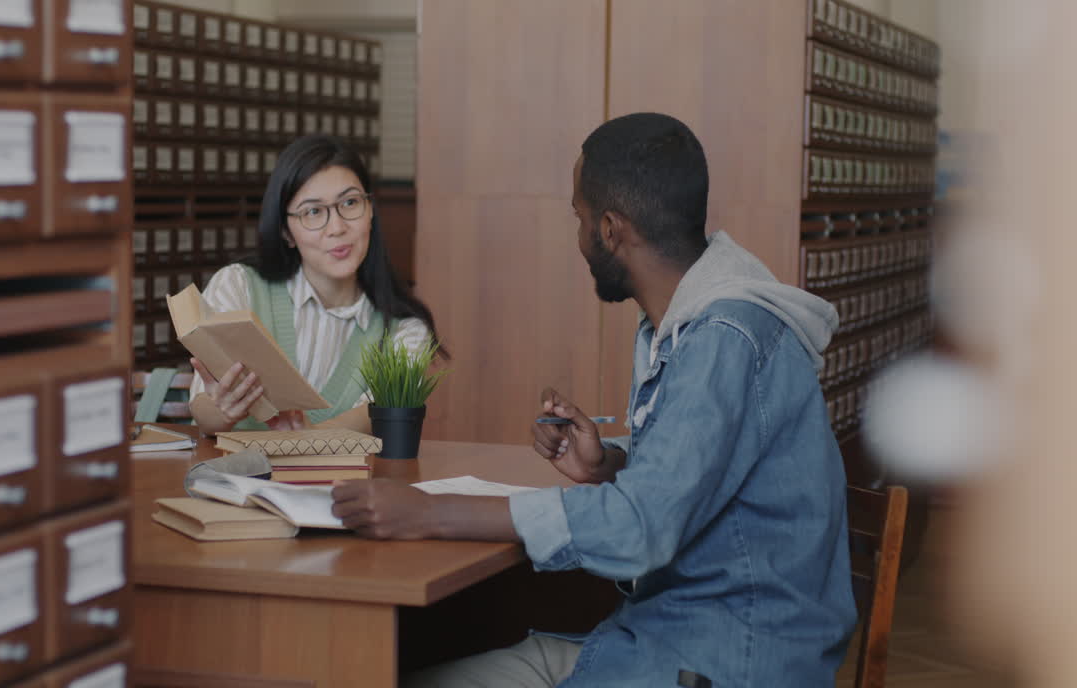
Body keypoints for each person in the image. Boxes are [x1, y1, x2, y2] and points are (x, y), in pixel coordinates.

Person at [331, 113, 856, 687]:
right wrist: (610, 462)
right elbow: (711, 467)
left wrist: (428, 512)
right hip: (668, 637)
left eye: (578, 217)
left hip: (723, 660)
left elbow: (640, 527)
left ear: (610, 230)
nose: (578, 235)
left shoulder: (721, 339)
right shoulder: (691, 321)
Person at [189, 135, 444, 436]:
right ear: (286, 231)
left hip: (338, 483)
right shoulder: (238, 286)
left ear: (371, 211)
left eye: (350, 203)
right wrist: (222, 410)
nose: (337, 228)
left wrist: (307, 435)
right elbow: (203, 415)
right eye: (313, 212)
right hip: (231, 479)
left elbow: (375, 418)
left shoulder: (405, 331)